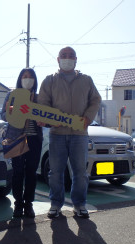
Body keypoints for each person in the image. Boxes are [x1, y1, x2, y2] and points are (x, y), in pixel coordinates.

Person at [37, 46, 101, 219]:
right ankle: (55, 204)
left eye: (71, 56)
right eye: (64, 56)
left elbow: (95, 100)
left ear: (76, 59)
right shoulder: (49, 80)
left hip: (79, 134)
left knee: (80, 172)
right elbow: (42, 103)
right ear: (58, 59)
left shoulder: (86, 80)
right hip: (57, 133)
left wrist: (88, 117)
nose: (67, 58)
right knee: (55, 172)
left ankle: (79, 204)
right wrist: (48, 119)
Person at [1, 68, 43, 218]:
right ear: (19, 79)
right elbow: (3, 115)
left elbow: (47, 119)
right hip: (16, 139)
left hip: (34, 140)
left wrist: (44, 121)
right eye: (25, 76)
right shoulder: (11, 95)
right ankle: (18, 204)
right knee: (18, 172)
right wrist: (11, 112)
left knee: (31, 173)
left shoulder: (39, 98)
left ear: (35, 80)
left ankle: (28, 204)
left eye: (31, 77)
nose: (28, 79)